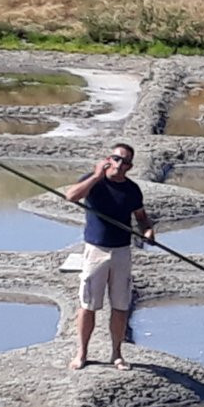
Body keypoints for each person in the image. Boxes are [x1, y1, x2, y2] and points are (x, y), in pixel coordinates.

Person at [66, 142, 155, 371]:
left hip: (121, 251)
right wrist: (96, 176)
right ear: (108, 159)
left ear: (130, 166)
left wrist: (147, 230)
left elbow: (142, 216)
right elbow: (71, 196)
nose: (119, 164)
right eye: (116, 159)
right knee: (88, 303)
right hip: (95, 249)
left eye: (125, 162)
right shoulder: (94, 181)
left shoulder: (132, 189)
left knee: (120, 304)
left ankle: (116, 353)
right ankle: (82, 352)